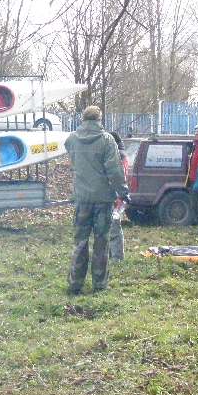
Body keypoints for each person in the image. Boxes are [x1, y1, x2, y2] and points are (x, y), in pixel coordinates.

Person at [64, 106, 129, 294]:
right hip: (103, 199)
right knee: (101, 241)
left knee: (80, 241)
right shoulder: (107, 140)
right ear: (100, 119)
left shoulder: (72, 139)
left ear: (83, 119)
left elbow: (69, 150)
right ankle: (99, 284)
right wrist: (123, 191)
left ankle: (75, 283)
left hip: (82, 198)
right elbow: (115, 171)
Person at [108, 131, 129, 262]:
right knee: (112, 225)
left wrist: (119, 195)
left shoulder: (117, 155)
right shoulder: (121, 154)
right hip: (119, 194)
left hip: (117, 195)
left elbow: (118, 177)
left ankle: (117, 258)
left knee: (114, 226)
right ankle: (113, 255)